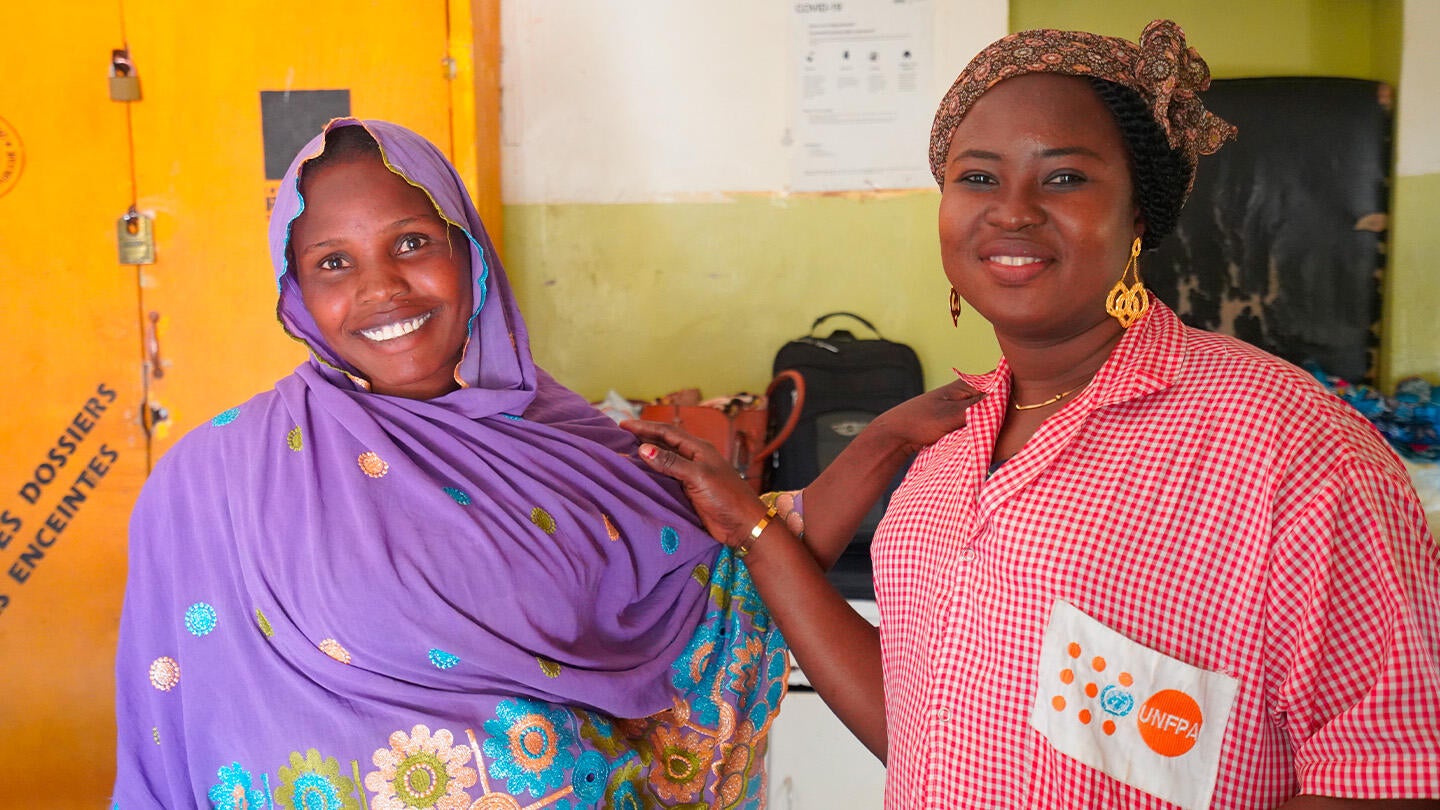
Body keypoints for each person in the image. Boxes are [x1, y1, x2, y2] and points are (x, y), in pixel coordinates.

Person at [626, 20, 1440, 810]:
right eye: (977, 177)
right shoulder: (946, 456)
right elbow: (929, 731)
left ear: (1140, 215)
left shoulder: (1292, 451)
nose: (1011, 211)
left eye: (1064, 177)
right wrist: (756, 530)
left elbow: (1392, 776)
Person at [112, 119, 787, 809]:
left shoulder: (578, 450)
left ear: (470, 252)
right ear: (297, 293)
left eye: (411, 243)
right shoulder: (210, 481)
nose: (382, 288)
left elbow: (727, 597)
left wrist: (872, 451)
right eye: (333, 263)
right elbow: (173, 722)